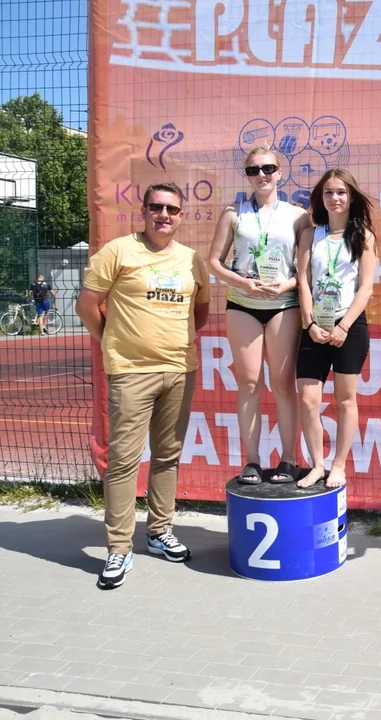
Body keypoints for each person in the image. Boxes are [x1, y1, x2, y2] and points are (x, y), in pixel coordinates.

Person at [75, 182, 211, 589]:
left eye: (172, 209)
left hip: (180, 369)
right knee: (123, 461)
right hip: (130, 371)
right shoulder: (117, 251)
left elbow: (200, 312)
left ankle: (159, 531)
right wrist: (113, 342)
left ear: (181, 216)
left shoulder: (191, 260)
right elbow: (87, 305)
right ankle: (119, 548)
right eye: (156, 207)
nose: (164, 215)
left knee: (168, 455)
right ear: (144, 211)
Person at [208, 146, 311, 485]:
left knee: (282, 384)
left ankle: (289, 460)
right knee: (249, 383)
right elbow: (214, 263)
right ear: (247, 176)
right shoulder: (233, 213)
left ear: (280, 172)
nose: (261, 175)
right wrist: (244, 283)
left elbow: (306, 269)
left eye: (268, 168)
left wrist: (287, 285)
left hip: (284, 305)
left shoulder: (298, 216)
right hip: (243, 304)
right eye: (253, 170)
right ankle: (251, 461)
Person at [295, 169, 378, 489]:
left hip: (349, 326)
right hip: (315, 326)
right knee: (308, 399)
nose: (335, 198)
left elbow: (366, 287)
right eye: (328, 192)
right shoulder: (310, 235)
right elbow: (303, 281)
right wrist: (309, 323)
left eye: (341, 192)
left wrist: (344, 325)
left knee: (345, 399)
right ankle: (318, 465)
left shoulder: (363, 236)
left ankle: (339, 466)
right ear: (321, 198)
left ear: (351, 196)